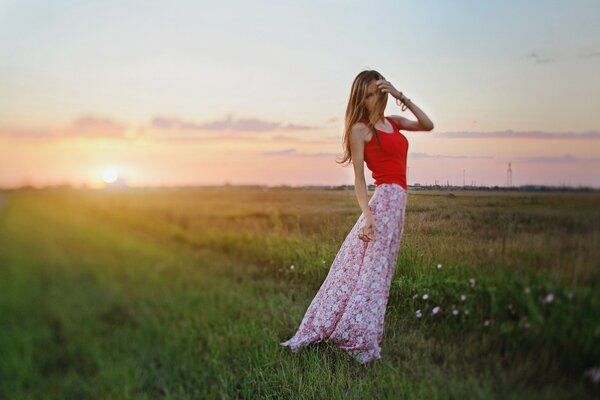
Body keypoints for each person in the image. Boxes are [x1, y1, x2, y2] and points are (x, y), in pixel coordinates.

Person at [280, 70, 434, 364]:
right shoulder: (360, 130)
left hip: (398, 204)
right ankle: (357, 336)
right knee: (368, 273)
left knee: (378, 273)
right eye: (367, 94)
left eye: (377, 92)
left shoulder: (394, 123)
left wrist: (402, 96)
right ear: (359, 99)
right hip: (383, 201)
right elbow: (360, 179)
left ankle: (357, 329)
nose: (373, 98)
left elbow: (427, 124)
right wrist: (367, 216)